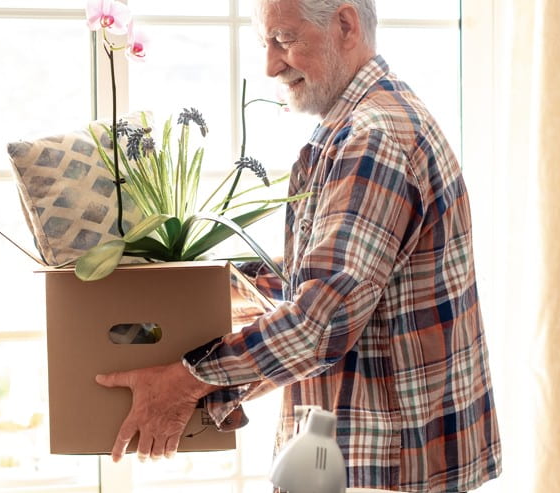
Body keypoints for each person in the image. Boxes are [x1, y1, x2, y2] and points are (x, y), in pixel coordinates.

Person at [95, 0, 503, 491]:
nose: (270, 65)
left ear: (345, 25)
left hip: (382, 468)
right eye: (265, 44)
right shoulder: (366, 123)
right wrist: (200, 287)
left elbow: (319, 321)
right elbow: (330, 275)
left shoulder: (371, 139)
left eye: (283, 40)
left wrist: (187, 381)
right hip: (379, 457)